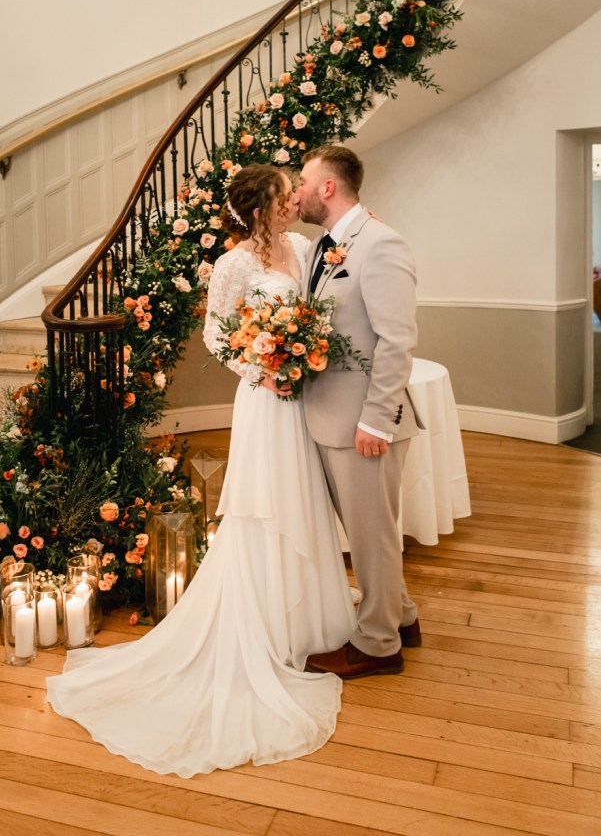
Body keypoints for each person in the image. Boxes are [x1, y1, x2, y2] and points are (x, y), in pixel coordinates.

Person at [46, 163, 356, 777]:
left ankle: (313, 623)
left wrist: (302, 347)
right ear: (260, 207)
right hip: (266, 400)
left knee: (305, 499)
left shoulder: (300, 247)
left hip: (302, 399)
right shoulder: (234, 264)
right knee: (264, 504)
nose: (294, 200)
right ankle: (267, 628)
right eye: (283, 195)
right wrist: (263, 364)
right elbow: (218, 336)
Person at [295, 144, 422, 679]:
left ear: (328, 187)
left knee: (372, 537)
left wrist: (376, 420)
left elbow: (397, 340)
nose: (296, 191)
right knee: (371, 533)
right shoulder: (326, 245)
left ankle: (377, 644)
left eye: (303, 180)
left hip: (362, 424)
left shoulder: (380, 243)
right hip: (331, 416)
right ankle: (404, 617)